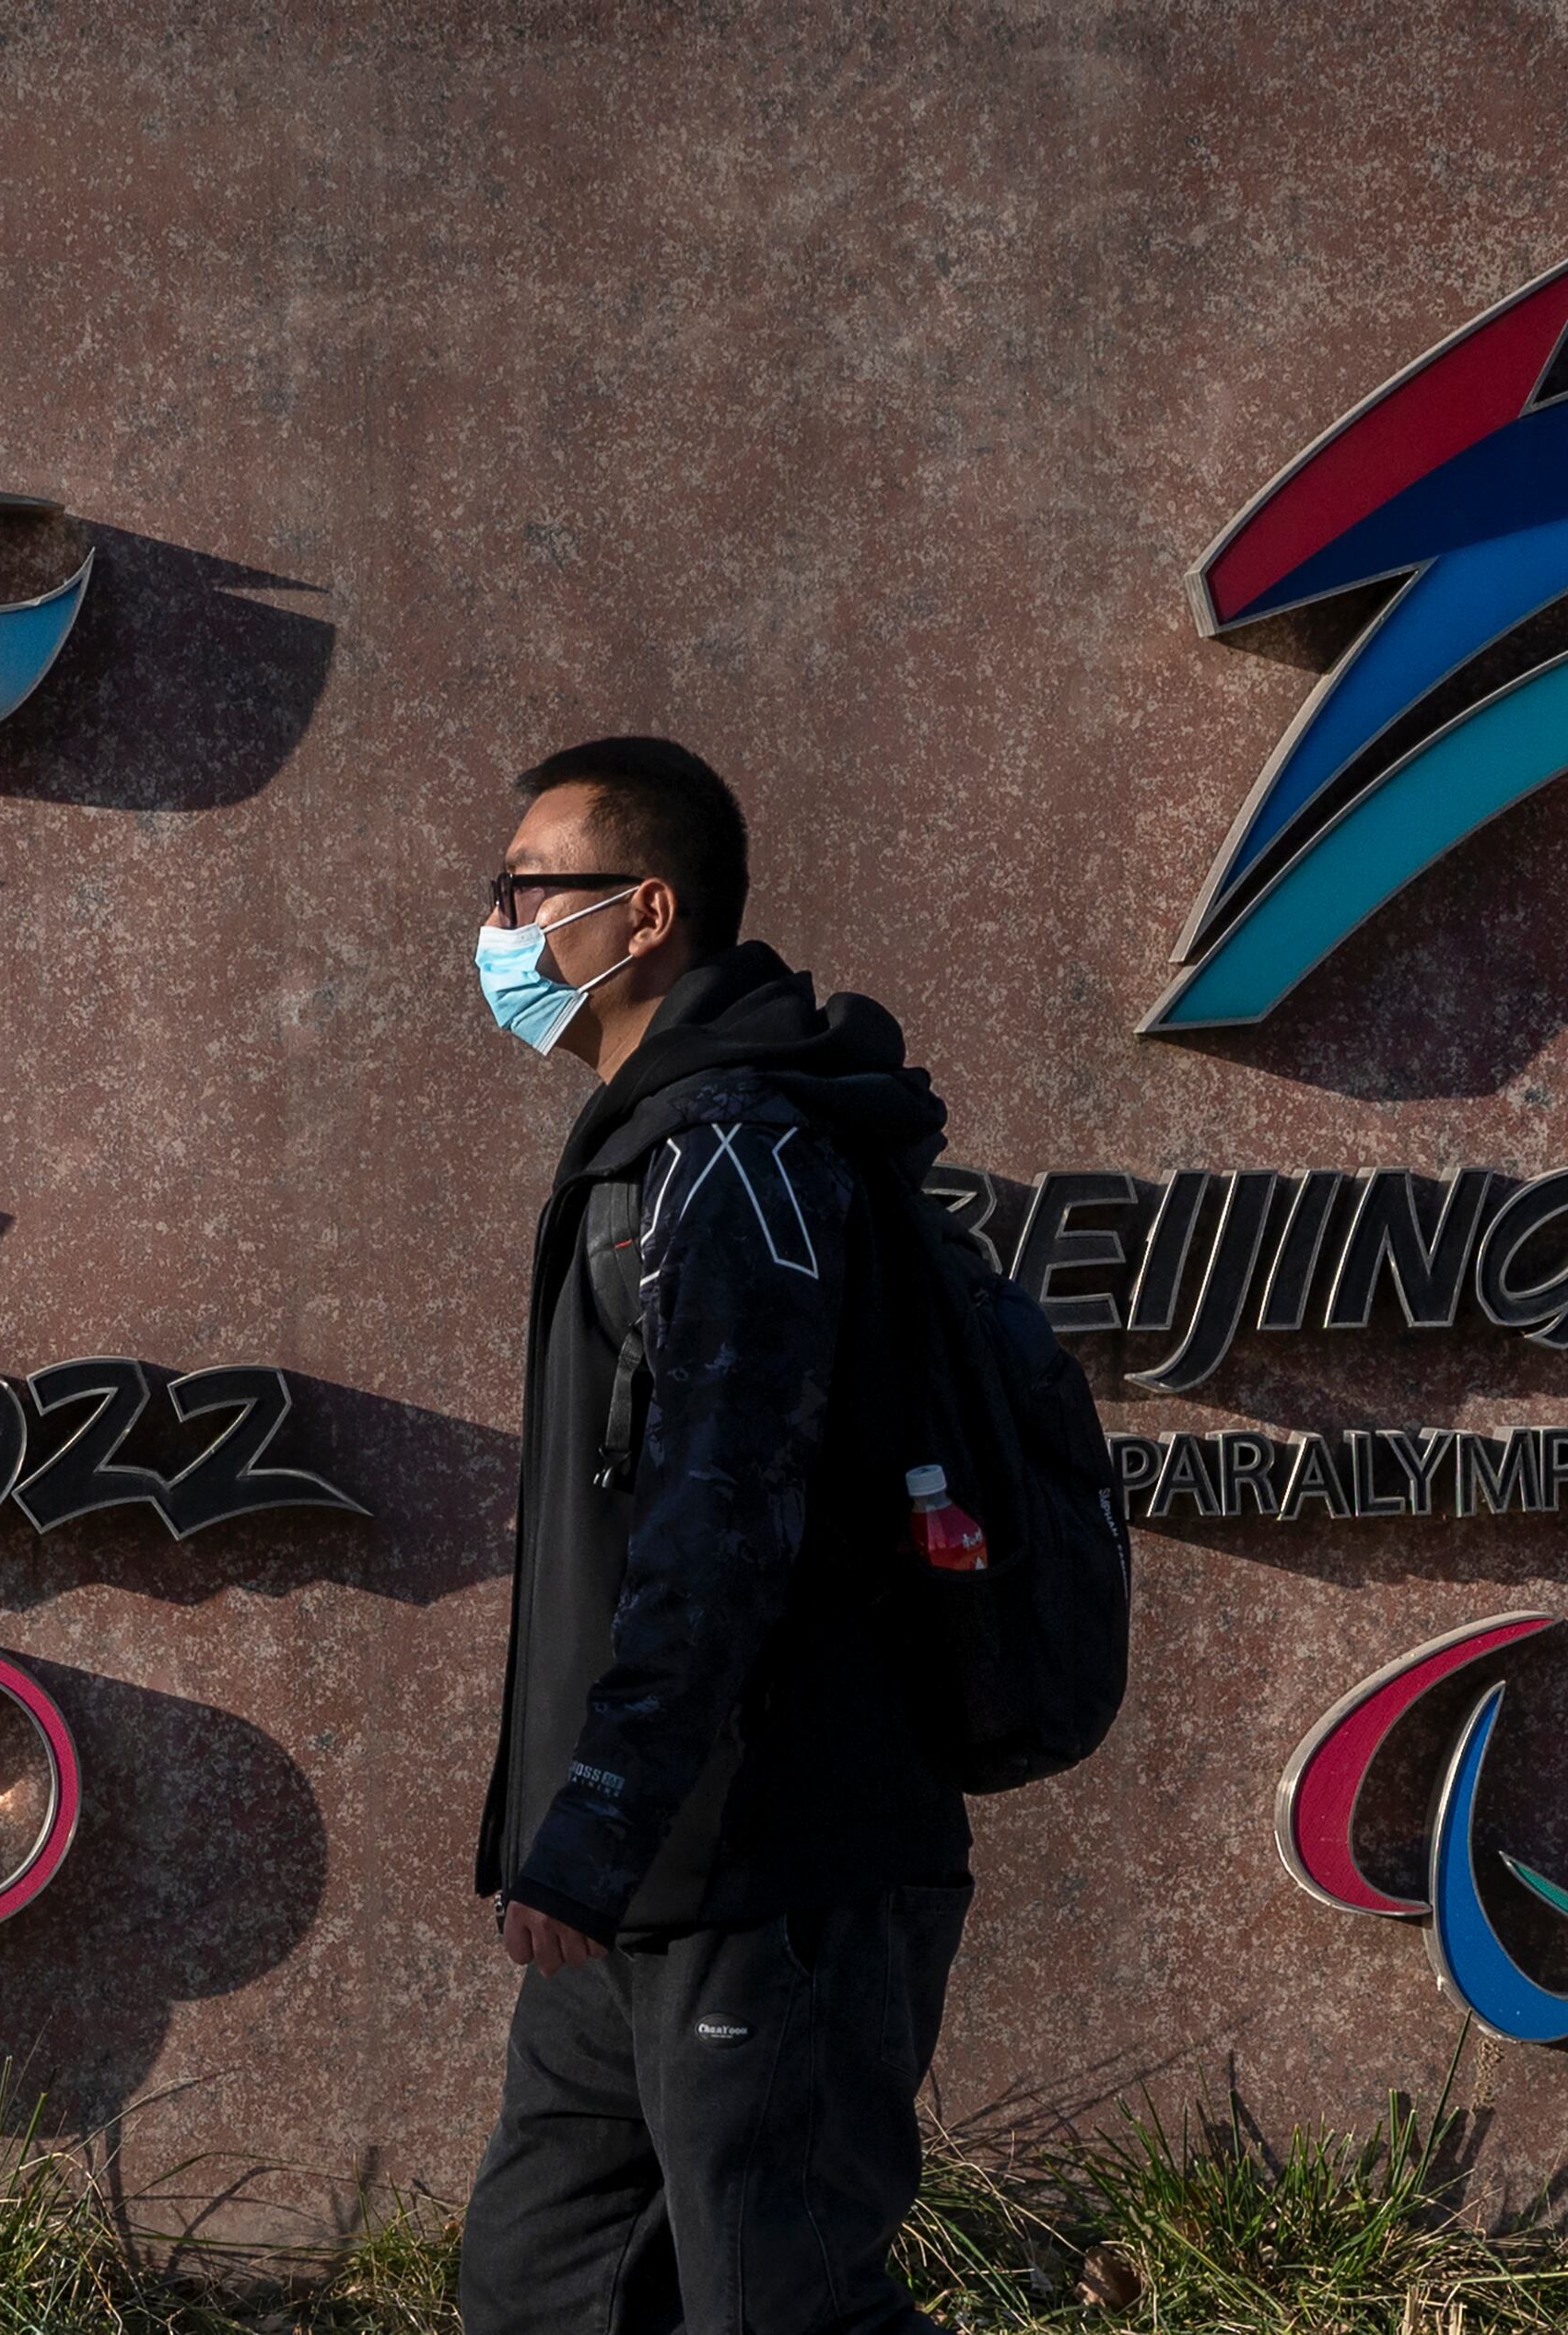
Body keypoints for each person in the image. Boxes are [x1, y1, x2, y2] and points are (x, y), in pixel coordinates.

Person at [459, 735, 975, 2335]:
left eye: (526, 889)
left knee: (776, 2304)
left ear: (643, 912)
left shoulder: (741, 1155)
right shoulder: (649, 1144)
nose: (497, 928)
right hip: (639, 1878)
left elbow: (722, 1521)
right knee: (541, 2283)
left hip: (769, 1862)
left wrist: (600, 1820)